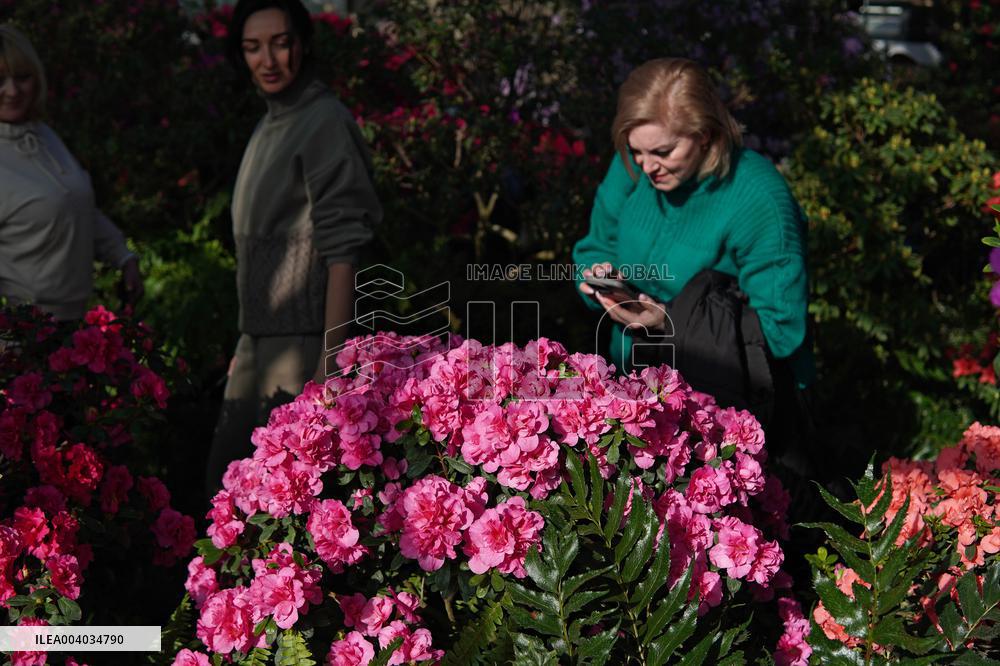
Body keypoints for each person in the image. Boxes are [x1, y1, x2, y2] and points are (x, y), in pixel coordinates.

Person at [574, 57, 815, 429]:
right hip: (629, 383)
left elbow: (779, 332)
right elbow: (594, 247)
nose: (647, 166)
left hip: (728, 407)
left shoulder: (758, 199)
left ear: (705, 134)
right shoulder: (633, 166)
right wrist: (601, 283)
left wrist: (666, 325)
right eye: (637, 150)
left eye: (663, 152)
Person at [206, 0, 382, 494]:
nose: (268, 60)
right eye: (252, 47)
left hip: (304, 346)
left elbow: (344, 248)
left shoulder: (323, 119)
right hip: (259, 345)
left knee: (276, 509)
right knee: (227, 498)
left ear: (303, 45)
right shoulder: (270, 122)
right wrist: (247, 342)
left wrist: (331, 363)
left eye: (280, 43)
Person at [0, 24, 142, 321]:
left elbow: (78, 205)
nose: (12, 91)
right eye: (0, 80)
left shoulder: (44, 136)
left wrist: (123, 255)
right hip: (20, 333)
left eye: (22, 77)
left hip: (72, 323)